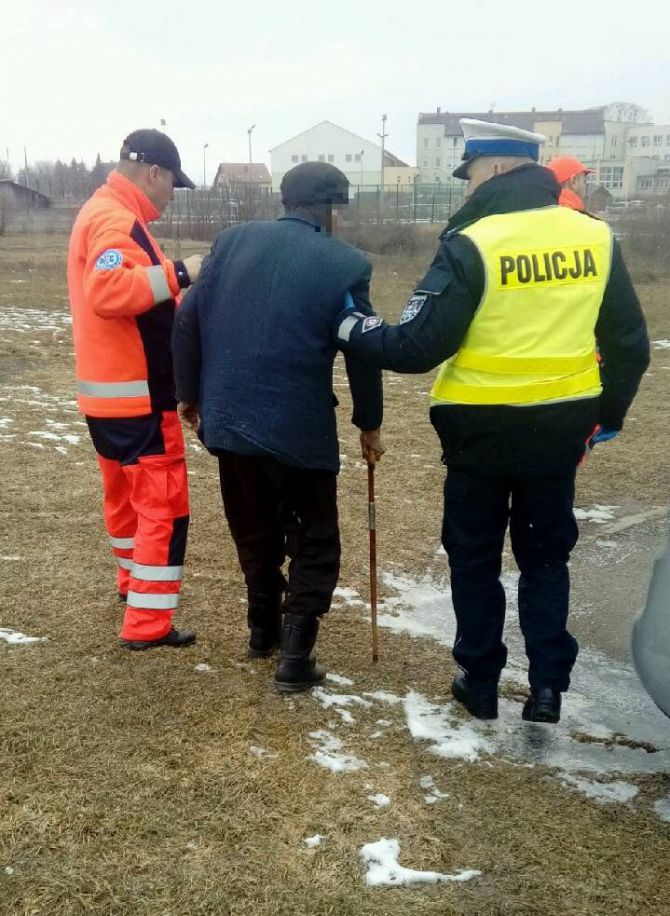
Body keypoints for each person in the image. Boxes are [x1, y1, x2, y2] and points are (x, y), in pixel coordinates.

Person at [335, 119, 650, 723]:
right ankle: (548, 687)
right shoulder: (595, 236)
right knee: (545, 558)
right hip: (560, 428)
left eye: (471, 173)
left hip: (479, 431)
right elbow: (630, 344)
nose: (467, 187)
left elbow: (416, 346)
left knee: (475, 556)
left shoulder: (474, 242)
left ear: (500, 169)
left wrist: (352, 327)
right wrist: (606, 417)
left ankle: (479, 681)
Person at [172, 162, 384, 692]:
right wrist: (369, 424)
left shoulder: (232, 242)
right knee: (315, 539)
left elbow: (186, 319)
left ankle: (261, 632)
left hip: (228, 421)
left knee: (255, 528)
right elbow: (362, 349)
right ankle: (294, 658)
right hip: (298, 427)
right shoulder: (345, 263)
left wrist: (190, 396)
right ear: (330, 209)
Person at [67, 129, 203, 650]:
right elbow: (107, 292)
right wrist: (182, 272)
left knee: (125, 502)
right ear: (153, 173)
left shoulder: (101, 211)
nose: (172, 195)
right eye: (173, 184)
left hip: (107, 397)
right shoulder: (116, 219)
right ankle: (148, 623)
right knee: (162, 508)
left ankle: (132, 584)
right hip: (139, 397)